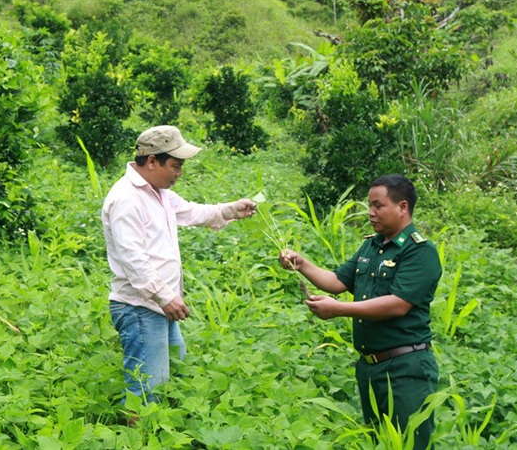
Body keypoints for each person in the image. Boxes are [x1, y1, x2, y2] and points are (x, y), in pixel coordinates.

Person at [279, 174, 441, 449]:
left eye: (378, 205)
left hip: (405, 368)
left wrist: (339, 309)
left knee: (409, 443)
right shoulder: (371, 245)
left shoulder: (419, 251)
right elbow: (338, 282)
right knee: (378, 442)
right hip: (370, 367)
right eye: (370, 205)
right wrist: (302, 263)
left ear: (402, 207)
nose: (371, 212)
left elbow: (397, 304)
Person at [102, 125, 256, 410]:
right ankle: (138, 439)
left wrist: (232, 209)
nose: (179, 173)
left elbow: (192, 212)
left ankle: (164, 430)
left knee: (176, 372)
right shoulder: (127, 199)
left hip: (160, 305)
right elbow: (134, 260)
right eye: (175, 166)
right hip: (141, 307)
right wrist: (166, 297)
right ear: (151, 161)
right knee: (147, 388)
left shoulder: (158, 192)